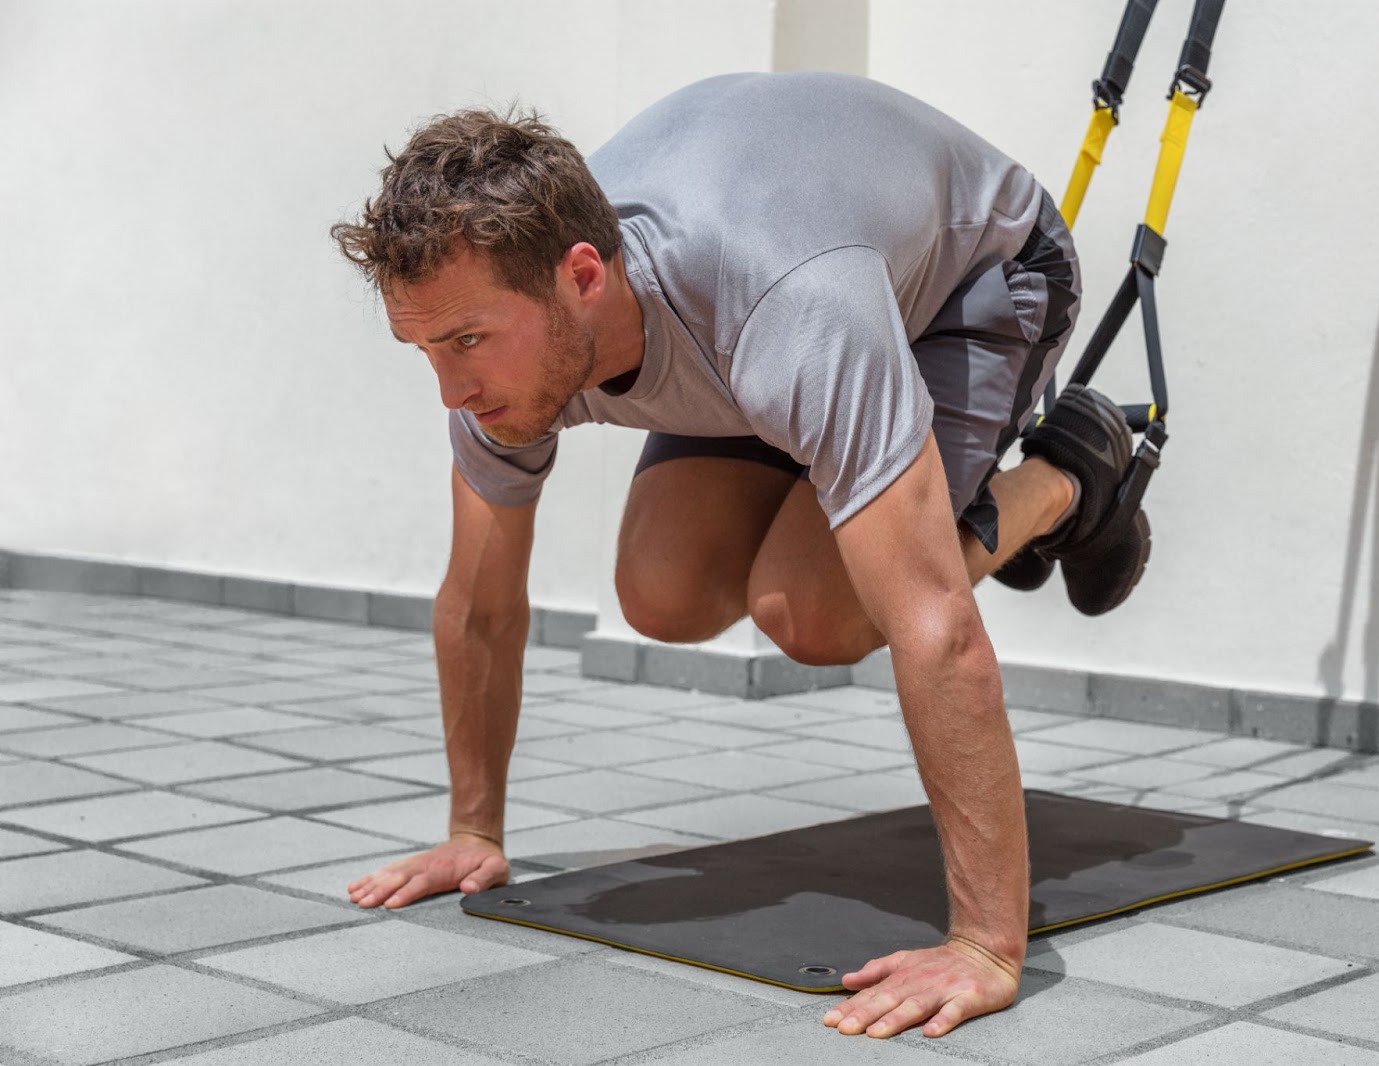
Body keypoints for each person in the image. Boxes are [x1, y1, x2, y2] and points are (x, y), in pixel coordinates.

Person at [331, 71, 1151, 1040]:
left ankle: (1069, 475)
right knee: (662, 593)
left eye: (466, 340)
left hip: (971, 277)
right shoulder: (512, 345)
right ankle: (936, 481)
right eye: (425, 348)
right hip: (772, 292)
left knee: (821, 614)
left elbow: (937, 631)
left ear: (583, 278)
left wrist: (984, 944)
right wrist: (473, 831)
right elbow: (479, 596)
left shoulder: (789, 308)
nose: (450, 390)